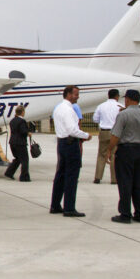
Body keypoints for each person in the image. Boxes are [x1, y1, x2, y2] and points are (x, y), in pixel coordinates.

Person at [107, 89, 140, 224]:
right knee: (138, 183)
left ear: (128, 99)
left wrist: (109, 150)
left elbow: (116, 135)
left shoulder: (123, 115)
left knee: (125, 183)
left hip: (126, 150)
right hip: (139, 150)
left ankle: (125, 213)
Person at [50, 85, 92, 217]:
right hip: (70, 143)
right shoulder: (68, 110)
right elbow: (72, 130)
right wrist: (86, 135)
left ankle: (55, 205)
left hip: (62, 143)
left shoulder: (59, 108)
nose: (78, 96)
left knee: (60, 175)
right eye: (76, 94)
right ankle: (69, 207)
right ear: (68, 94)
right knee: (71, 176)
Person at [92, 89, 123, 184]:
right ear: (117, 96)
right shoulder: (121, 106)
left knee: (101, 154)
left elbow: (95, 119)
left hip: (104, 132)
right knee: (114, 155)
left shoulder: (101, 106)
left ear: (108, 96)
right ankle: (114, 179)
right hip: (115, 132)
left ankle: (98, 177)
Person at [4, 105, 33, 181]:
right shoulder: (22, 121)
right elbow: (23, 131)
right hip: (20, 143)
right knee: (24, 160)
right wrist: (28, 133)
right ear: (22, 112)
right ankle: (24, 176)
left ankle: (9, 172)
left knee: (17, 159)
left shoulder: (12, 121)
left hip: (12, 142)